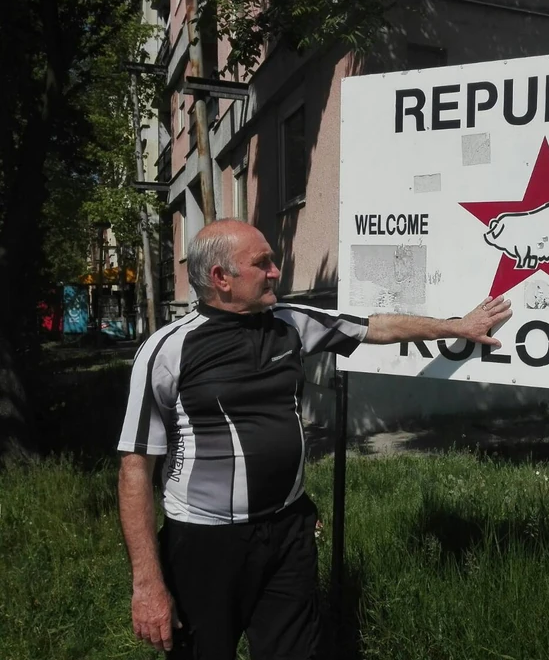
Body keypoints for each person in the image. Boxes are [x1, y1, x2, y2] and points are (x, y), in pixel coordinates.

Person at [117, 218, 511, 659]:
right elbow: (135, 469)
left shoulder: (290, 322)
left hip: (288, 532)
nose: (275, 271)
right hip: (205, 542)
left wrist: (458, 327)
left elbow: (375, 327)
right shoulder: (167, 349)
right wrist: (147, 584)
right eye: (262, 263)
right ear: (221, 277)